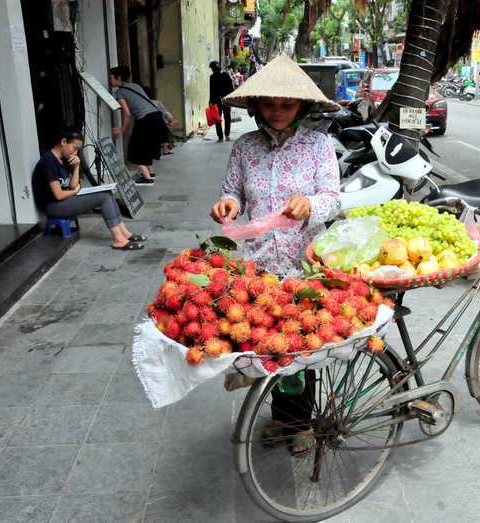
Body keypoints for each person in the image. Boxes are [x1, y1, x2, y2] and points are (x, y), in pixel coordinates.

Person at [209, 55, 340, 455]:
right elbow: (232, 191)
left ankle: (302, 421)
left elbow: (332, 200)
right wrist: (226, 205)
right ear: (256, 106)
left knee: (303, 344)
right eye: (269, 104)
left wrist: (310, 206)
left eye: (286, 104)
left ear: (302, 106)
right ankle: (280, 416)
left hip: (305, 262)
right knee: (268, 343)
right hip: (261, 262)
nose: (277, 112)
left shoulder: (318, 146)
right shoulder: (245, 147)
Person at [32, 129, 146, 250]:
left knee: (107, 193)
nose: (75, 153)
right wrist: (75, 192)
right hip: (53, 206)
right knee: (103, 197)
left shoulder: (64, 159)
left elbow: (72, 185)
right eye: (74, 148)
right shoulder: (49, 162)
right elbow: (59, 195)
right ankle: (118, 239)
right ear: (64, 142)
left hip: (64, 201)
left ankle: (124, 233)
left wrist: (76, 167)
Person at [109, 66, 164, 185]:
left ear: (118, 78)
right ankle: (151, 172)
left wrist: (122, 130)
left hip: (145, 119)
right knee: (146, 146)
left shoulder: (120, 92)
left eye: (111, 78)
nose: (110, 80)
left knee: (134, 149)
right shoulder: (135, 86)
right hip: (156, 116)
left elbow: (127, 113)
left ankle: (147, 178)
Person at [142, 85, 178, 155]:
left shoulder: (141, 104)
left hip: (145, 126)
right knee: (164, 129)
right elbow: (166, 114)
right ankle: (165, 149)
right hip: (158, 126)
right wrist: (170, 120)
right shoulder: (157, 103)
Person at [209, 61, 235, 142]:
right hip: (225, 100)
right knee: (227, 117)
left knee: (218, 118)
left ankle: (220, 137)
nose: (211, 70)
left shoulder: (212, 77)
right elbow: (231, 89)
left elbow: (212, 90)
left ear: (213, 68)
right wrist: (230, 100)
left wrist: (211, 101)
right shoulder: (226, 75)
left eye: (212, 69)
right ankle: (226, 135)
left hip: (217, 100)